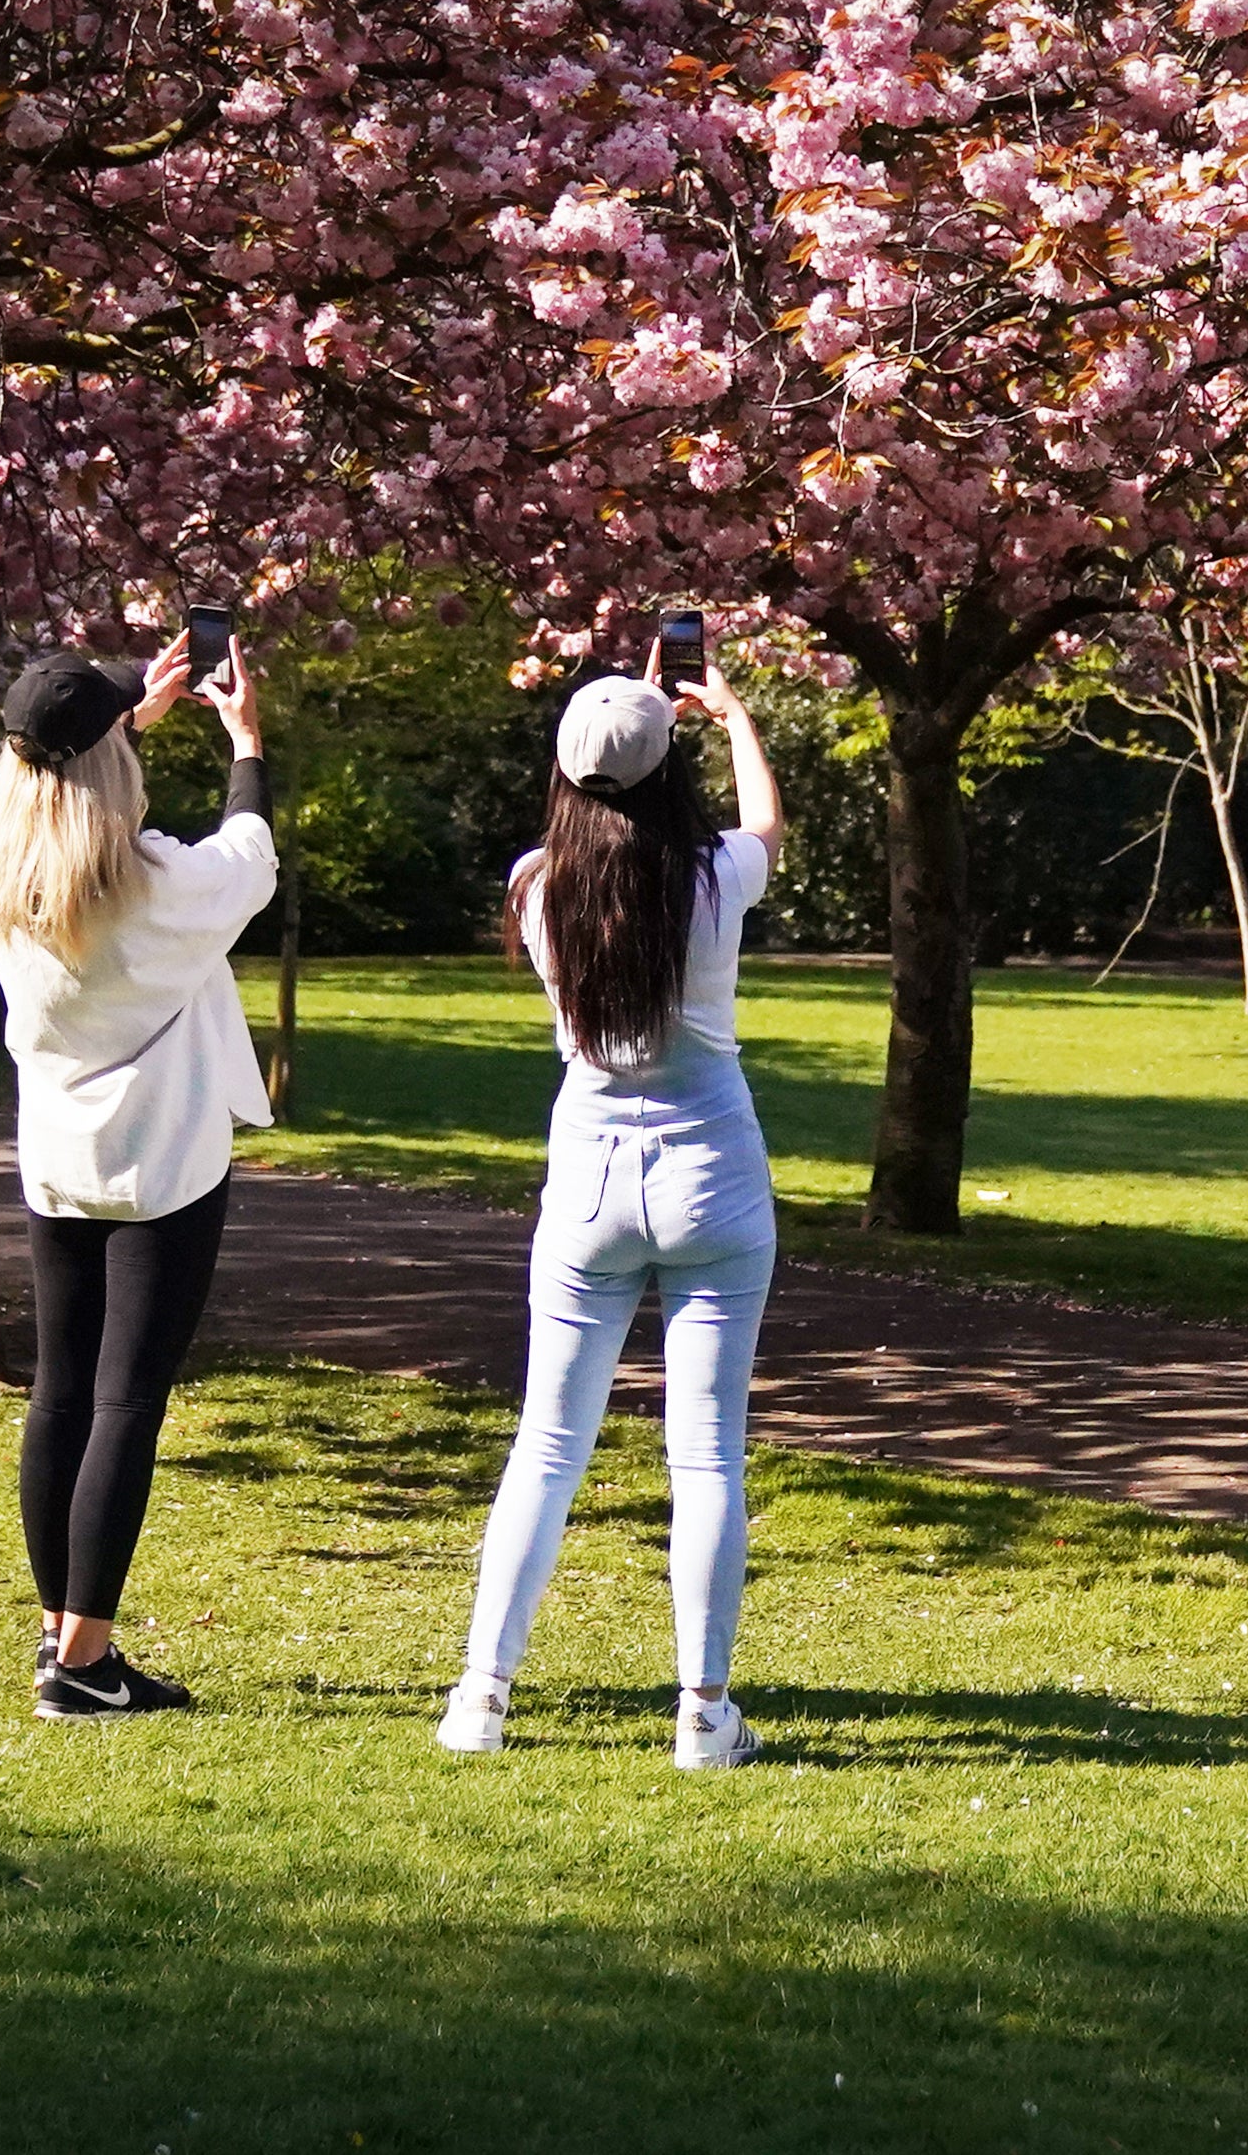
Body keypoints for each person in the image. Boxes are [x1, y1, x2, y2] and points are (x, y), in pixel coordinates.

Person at [436, 666, 785, 1767]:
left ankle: (481, 1698)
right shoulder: (714, 878)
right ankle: (704, 1713)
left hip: (588, 1176)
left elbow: (604, 801)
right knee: (707, 1458)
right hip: (713, 1175)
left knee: (547, 1442)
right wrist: (730, 718)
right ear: (670, 764)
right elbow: (766, 822)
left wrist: (629, 712)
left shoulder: (536, 885)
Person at [0, 632, 277, 1720]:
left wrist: (125, 714)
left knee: (59, 1393)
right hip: (166, 1158)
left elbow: (56, 784)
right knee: (127, 1400)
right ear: (106, 760)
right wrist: (245, 744)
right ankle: (87, 1664)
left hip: (57, 1153)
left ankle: (58, 1634)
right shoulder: (159, 884)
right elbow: (253, 856)